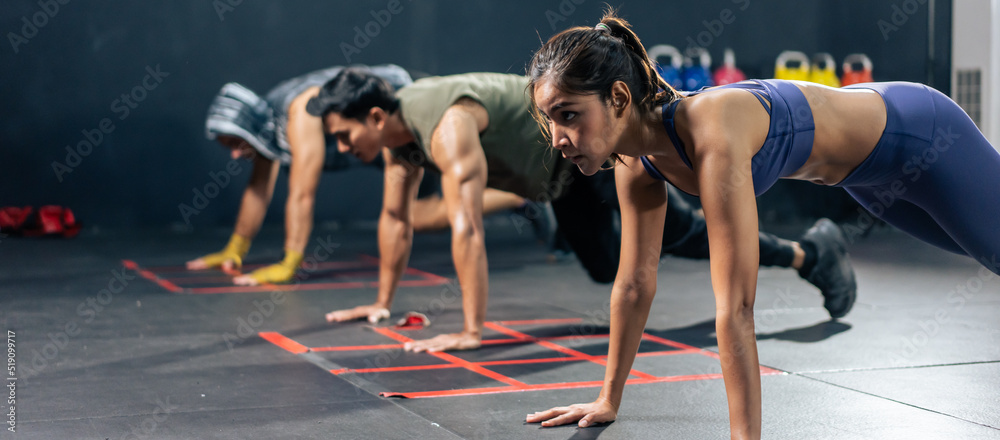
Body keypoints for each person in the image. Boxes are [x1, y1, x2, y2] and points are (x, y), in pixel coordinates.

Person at [524, 12, 1000, 438]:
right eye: (550, 120)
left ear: (619, 97)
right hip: (868, 179)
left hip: (923, 136)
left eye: (569, 115)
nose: (558, 138)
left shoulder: (712, 130)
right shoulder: (636, 163)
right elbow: (633, 285)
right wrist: (608, 400)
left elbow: (737, 308)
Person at [307, 68, 858, 353]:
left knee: (674, 233)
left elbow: (467, 226)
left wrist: (472, 331)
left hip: (584, 153)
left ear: (376, 117)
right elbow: (395, 221)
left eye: (342, 134)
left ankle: (809, 252)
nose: (340, 148)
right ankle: (808, 253)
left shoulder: (444, 123)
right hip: (559, 180)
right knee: (606, 265)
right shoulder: (400, 144)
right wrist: (380, 303)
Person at [186, 64, 532, 286]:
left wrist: (290, 261)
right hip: (378, 141)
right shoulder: (267, 129)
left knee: (418, 214)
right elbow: (258, 189)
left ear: (246, 126)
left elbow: (302, 192)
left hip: (403, 128)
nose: (234, 153)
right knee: (413, 215)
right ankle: (527, 199)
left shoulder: (298, 114)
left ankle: (527, 197)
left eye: (233, 142)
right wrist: (235, 249)